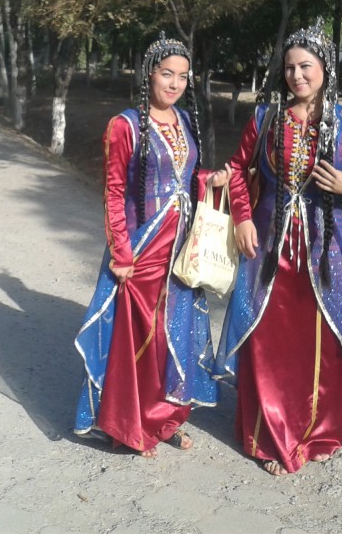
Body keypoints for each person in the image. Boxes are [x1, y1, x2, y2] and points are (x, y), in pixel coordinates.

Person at [215, 24, 342, 476]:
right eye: (289, 67)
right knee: (268, 340)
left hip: (326, 248)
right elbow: (240, 169)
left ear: (325, 68)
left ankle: (316, 432)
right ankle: (269, 434)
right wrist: (242, 215)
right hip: (267, 247)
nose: (297, 75)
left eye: (306, 66)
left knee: (325, 341)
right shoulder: (266, 118)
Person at [73, 34, 230, 458]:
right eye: (166, 74)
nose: (175, 83)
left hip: (181, 246)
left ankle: (165, 419)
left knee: (173, 335)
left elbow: (184, 178)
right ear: (149, 75)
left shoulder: (183, 121)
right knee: (139, 333)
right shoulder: (124, 125)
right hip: (142, 248)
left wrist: (210, 180)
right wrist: (121, 255)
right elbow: (113, 192)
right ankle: (129, 424)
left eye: (182, 76)